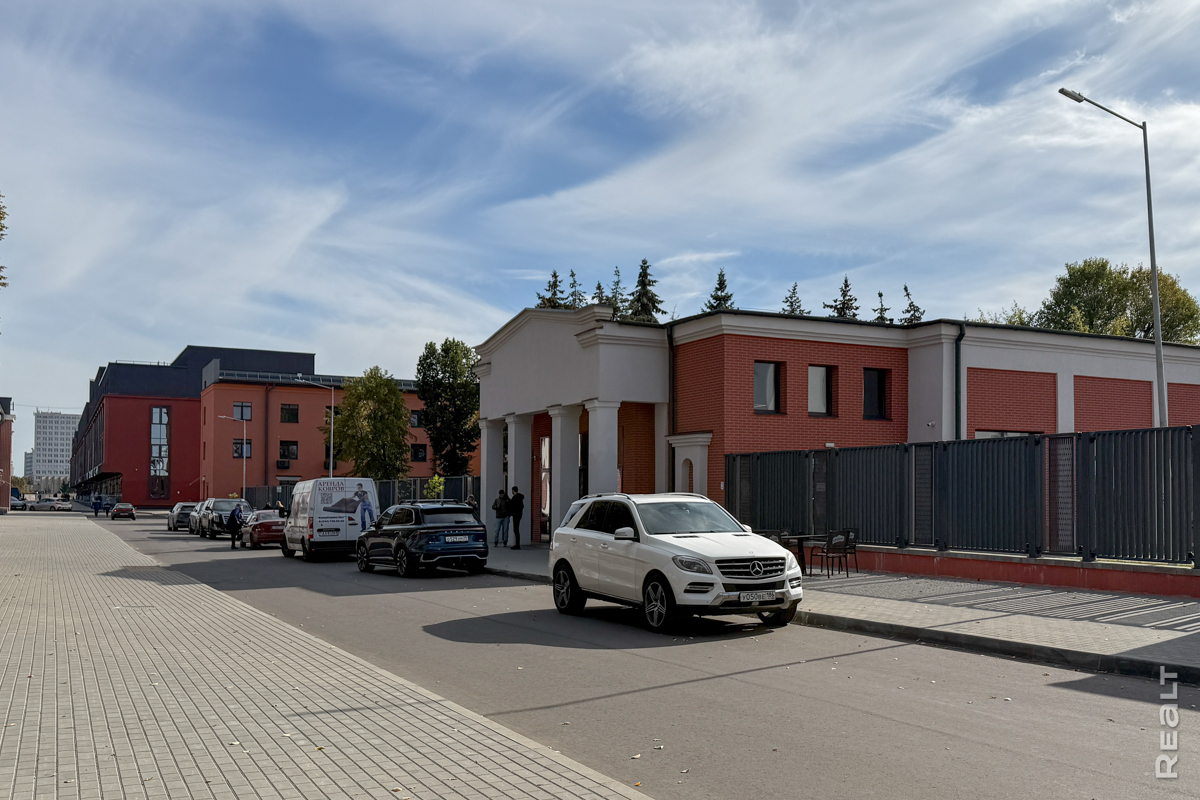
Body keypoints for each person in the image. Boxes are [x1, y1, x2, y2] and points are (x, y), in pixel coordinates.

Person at [508, 485, 525, 550]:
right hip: (519, 514)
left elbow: (513, 506)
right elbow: (521, 506)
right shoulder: (520, 498)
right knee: (516, 529)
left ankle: (517, 545)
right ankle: (517, 544)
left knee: (516, 529)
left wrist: (511, 513)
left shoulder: (515, 498)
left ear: (513, 491)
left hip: (515, 515)